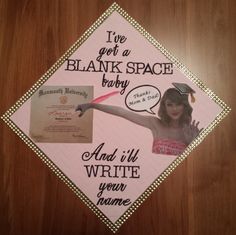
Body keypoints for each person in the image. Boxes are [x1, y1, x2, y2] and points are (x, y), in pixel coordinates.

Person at [76, 88, 202, 156]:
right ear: (164, 106)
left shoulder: (191, 132)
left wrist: (192, 145)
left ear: (185, 106)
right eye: (170, 104)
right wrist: (91, 105)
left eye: (179, 104)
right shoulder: (155, 123)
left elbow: (193, 168)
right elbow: (122, 112)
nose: (174, 109)